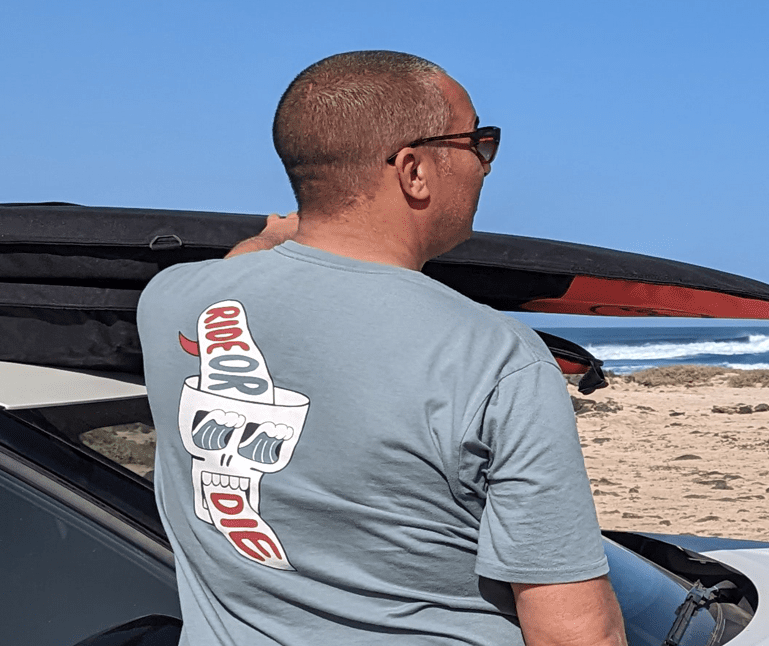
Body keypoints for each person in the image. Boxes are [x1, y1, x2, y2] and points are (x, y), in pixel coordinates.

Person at [137, 50, 626, 646]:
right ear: (413, 171)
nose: (486, 165)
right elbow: (575, 634)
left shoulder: (169, 301)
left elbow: (241, 279)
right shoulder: (494, 358)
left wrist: (271, 238)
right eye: (478, 142)